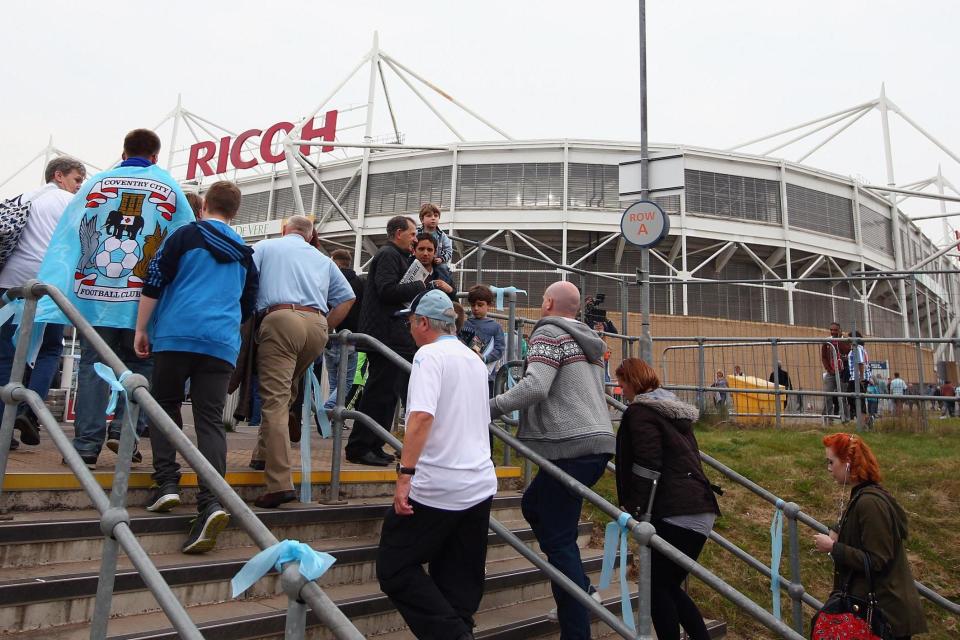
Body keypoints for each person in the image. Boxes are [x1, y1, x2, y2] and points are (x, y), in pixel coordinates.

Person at [32, 129, 194, 469]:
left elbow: (69, 236)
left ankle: (86, 447)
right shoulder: (170, 187)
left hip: (95, 299)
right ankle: (126, 436)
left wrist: (58, 286)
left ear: (123, 153)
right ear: (154, 157)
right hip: (141, 303)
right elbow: (185, 240)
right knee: (140, 367)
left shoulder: (96, 183)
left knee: (93, 366)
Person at [133, 180, 258, 552]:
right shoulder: (245, 253)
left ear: (202, 205)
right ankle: (211, 503)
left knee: (165, 407)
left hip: (177, 333)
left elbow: (154, 279)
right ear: (235, 212)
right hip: (220, 343)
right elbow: (249, 304)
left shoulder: (185, 236)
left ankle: (167, 483)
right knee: (210, 421)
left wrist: (142, 328)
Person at [489, 280, 615, 639]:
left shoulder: (548, 333)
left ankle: (577, 622)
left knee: (558, 540)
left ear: (546, 302)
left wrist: (489, 406)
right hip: (596, 443)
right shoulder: (584, 338)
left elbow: (535, 386)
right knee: (535, 505)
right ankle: (580, 588)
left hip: (570, 446)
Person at [376, 289, 498, 640]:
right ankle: (460, 629)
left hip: (438, 485)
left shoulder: (428, 356)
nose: (410, 329)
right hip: (478, 483)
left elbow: (420, 418)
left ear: (424, 322)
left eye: (412, 322)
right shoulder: (473, 358)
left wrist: (405, 476)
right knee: (458, 580)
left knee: (395, 566)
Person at [250, 215, 355, 507]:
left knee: (273, 400)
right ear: (310, 236)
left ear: (285, 230)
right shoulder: (323, 259)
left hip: (281, 318)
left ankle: (279, 483)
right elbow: (347, 297)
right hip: (316, 327)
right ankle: (262, 454)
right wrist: (327, 326)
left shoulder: (267, 247)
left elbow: (246, 281)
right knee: (286, 391)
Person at [614, 358, 720, 640]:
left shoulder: (640, 413)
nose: (619, 388)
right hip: (697, 506)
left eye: (622, 382)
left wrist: (636, 509)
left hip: (677, 509)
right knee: (667, 585)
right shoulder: (671, 412)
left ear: (633, 382)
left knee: (656, 587)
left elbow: (648, 465)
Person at [0, 156, 86, 451]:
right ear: (59, 176)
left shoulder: (23, 197)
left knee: (7, 356)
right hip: (47, 286)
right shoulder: (67, 201)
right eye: (77, 179)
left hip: (9, 284)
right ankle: (29, 412)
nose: (79, 187)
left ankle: (3, 428)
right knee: (50, 348)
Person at [813, 433, 927, 640]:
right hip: (879, 612)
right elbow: (862, 530)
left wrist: (833, 548)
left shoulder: (869, 503)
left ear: (848, 464)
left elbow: (877, 559)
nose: (829, 468)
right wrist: (838, 527)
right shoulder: (865, 496)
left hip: (884, 617)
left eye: (831, 462)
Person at [347, 216, 431, 467]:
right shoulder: (387, 255)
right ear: (398, 233)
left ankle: (375, 442)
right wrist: (419, 285)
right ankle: (360, 446)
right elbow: (386, 290)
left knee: (388, 393)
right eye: (412, 233)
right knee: (379, 392)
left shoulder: (399, 257)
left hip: (394, 335)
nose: (416, 238)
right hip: (385, 334)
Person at [322, 249, 364, 412]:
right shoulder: (359, 283)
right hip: (351, 338)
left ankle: (330, 416)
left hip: (330, 336)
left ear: (335, 261)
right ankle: (328, 411)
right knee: (346, 382)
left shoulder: (330, 280)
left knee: (334, 382)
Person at [460, 285, 504, 397]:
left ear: (489, 305)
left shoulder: (496, 327)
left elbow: (499, 349)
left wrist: (484, 358)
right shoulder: (464, 324)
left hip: (486, 375)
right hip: (466, 374)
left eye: (480, 305)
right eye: (473, 305)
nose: (475, 308)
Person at [822, 321, 852, 421]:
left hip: (842, 372)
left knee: (842, 397)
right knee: (827, 395)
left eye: (835, 330)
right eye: (831, 330)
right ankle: (828, 418)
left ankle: (845, 419)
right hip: (831, 372)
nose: (833, 332)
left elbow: (847, 351)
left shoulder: (846, 340)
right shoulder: (827, 341)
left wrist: (839, 339)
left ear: (840, 330)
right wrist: (829, 369)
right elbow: (824, 357)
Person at [416, 202, 453, 282]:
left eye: (436, 216)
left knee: (443, 268)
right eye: (429, 216)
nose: (433, 218)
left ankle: (442, 287)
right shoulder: (416, 233)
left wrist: (441, 259)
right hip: (418, 261)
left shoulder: (442, 235)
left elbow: (449, 250)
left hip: (435, 262)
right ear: (422, 219)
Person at [412, 233, 456, 298]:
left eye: (429, 250)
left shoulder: (445, 273)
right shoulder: (404, 268)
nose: (425, 253)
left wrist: (450, 290)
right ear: (414, 251)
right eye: (421, 249)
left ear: (435, 253)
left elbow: (455, 301)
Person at [846, 331, 869, 425]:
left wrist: (862, 378)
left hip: (857, 378)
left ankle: (864, 422)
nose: (848, 340)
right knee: (853, 398)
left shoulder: (857, 348)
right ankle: (864, 420)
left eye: (849, 338)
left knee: (858, 400)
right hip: (854, 377)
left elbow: (860, 362)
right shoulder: (859, 348)